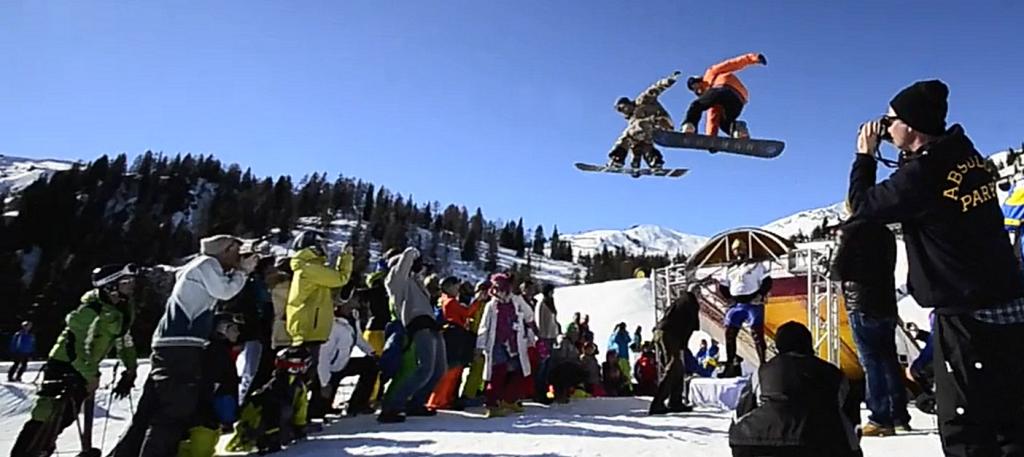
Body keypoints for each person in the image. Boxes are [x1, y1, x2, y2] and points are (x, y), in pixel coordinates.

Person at [849, 79, 1024, 456]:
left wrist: (865, 156)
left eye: (889, 119)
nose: (885, 127)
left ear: (910, 125)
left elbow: (863, 207)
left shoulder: (922, 175)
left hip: (966, 316)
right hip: (1008, 302)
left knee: (966, 427)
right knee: (1011, 421)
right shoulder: (965, 154)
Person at [113, 235, 256, 457]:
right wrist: (243, 272)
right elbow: (225, 292)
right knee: (174, 410)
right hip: (180, 347)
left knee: (150, 409)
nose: (240, 256)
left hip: (172, 345)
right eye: (237, 251)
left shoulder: (200, 268)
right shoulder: (206, 264)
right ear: (224, 250)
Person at [12, 264, 140, 457]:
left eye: (132, 281)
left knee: (67, 416)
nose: (131, 286)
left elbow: (124, 340)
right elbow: (74, 346)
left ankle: (44, 448)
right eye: (126, 282)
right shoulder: (91, 309)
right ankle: (25, 452)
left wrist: (131, 370)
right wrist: (90, 374)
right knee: (46, 412)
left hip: (85, 366)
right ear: (110, 287)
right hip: (64, 362)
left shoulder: (122, 310)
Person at [729, 321, 861, 457]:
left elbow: (742, 412)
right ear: (809, 344)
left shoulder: (762, 372)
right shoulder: (834, 374)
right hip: (823, 443)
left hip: (758, 441)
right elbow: (852, 421)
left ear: (778, 346)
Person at [831, 216, 909, 436]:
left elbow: (836, 270)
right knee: (889, 360)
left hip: (861, 302)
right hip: (886, 302)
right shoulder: (886, 232)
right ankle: (899, 416)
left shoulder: (848, 231)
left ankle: (880, 418)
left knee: (871, 363)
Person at [286, 231, 354, 419]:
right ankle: (294, 418)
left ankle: (301, 417)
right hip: (309, 327)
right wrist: (346, 257)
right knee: (303, 377)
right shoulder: (309, 268)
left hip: (312, 326)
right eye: (321, 243)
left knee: (307, 376)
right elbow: (340, 278)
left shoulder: (310, 267)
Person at [378, 247, 446, 423]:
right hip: (417, 324)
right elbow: (403, 264)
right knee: (425, 368)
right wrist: (411, 252)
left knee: (439, 370)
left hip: (431, 324)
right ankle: (393, 405)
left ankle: (417, 402)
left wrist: (420, 268)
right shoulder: (394, 280)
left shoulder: (414, 280)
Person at [174, 312, 243, 457]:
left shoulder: (221, 349)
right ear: (222, 329)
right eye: (234, 328)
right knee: (201, 441)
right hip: (204, 415)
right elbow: (210, 384)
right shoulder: (215, 351)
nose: (238, 332)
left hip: (210, 413)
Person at [219, 255, 277, 404]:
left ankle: (241, 400)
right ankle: (241, 401)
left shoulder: (253, 282)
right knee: (248, 369)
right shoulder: (251, 283)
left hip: (254, 330)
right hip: (249, 330)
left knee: (248, 368)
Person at [476, 273, 533, 418]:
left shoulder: (516, 301)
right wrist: (480, 346)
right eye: (495, 288)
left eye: (500, 288)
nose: (497, 291)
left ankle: (509, 400)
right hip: (497, 344)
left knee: (516, 372)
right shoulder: (491, 306)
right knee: (497, 373)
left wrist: (531, 331)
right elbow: (484, 327)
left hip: (515, 343)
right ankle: (492, 405)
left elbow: (529, 315)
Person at [315, 297, 378, 418]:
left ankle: (357, 404)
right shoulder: (332, 323)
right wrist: (324, 383)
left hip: (343, 363)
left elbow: (358, 338)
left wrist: (372, 352)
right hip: (330, 369)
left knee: (370, 366)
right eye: (352, 298)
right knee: (319, 409)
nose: (356, 300)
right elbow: (323, 356)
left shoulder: (354, 317)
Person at [680, 53, 767, 139]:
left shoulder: (710, 73)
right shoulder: (710, 97)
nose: (697, 91)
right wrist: (712, 140)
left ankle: (689, 126)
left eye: (696, 87)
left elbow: (731, 64)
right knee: (724, 123)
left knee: (696, 106)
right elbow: (713, 117)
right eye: (694, 90)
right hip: (739, 99)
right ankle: (739, 131)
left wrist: (753, 58)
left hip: (723, 88)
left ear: (699, 81)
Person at [719, 238, 772, 376]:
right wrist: (728, 298)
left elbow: (767, 281)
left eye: (740, 249)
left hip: (752, 302)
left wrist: (760, 295)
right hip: (736, 304)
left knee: (756, 333)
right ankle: (730, 363)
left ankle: (763, 363)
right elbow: (723, 286)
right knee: (729, 332)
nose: (738, 252)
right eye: (736, 250)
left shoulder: (756, 265)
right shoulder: (729, 268)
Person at [606, 71, 680, 169]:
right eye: (620, 111)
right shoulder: (632, 120)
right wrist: (635, 164)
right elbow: (633, 142)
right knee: (639, 141)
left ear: (627, 103)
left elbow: (654, 89)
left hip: (662, 123)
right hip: (651, 131)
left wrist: (668, 81)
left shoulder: (642, 100)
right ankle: (655, 161)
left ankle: (617, 156)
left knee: (629, 132)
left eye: (622, 108)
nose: (623, 111)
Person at [650, 289, 699, 415]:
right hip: (670, 334)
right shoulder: (691, 304)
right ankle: (658, 402)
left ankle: (675, 401)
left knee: (678, 367)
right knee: (673, 366)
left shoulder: (679, 301)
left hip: (661, 332)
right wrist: (684, 345)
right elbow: (690, 327)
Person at [535, 284, 560, 361]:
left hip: (552, 334)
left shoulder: (550, 302)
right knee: (545, 360)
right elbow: (543, 321)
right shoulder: (544, 303)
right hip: (545, 336)